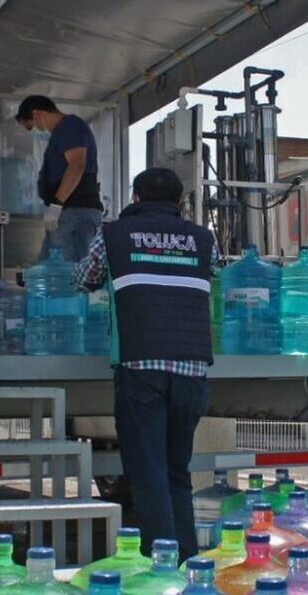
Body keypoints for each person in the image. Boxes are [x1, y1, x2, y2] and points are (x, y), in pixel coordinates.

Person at [74, 168, 216, 559]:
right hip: (192, 368)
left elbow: (84, 278)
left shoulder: (113, 234)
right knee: (176, 472)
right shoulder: (204, 239)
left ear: (134, 198)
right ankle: (187, 558)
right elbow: (212, 273)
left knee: (149, 471)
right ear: (180, 202)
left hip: (141, 367)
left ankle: (163, 563)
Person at [15, 95, 104, 261]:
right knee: (48, 273)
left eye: (30, 126)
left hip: (76, 211)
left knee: (70, 275)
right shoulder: (61, 133)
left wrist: (57, 204)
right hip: (66, 212)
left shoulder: (70, 126)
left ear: (37, 114)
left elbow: (77, 165)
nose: (35, 130)